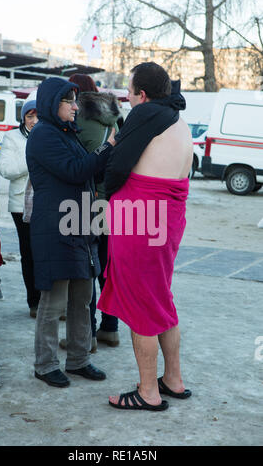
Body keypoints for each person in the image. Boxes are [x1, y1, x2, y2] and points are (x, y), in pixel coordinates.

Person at [97, 62, 193, 411]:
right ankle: (173, 380)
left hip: (141, 223)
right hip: (166, 222)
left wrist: (107, 193)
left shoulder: (147, 114)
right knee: (159, 298)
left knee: (141, 306)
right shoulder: (178, 120)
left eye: (130, 90)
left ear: (144, 94)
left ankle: (148, 391)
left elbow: (118, 166)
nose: (126, 96)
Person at [26, 77, 115, 388]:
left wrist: (106, 160)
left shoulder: (69, 134)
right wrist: (108, 147)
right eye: (70, 101)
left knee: (83, 297)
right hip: (55, 226)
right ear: (53, 103)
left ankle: (78, 359)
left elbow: (89, 171)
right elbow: (75, 171)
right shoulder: (43, 135)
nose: (76, 107)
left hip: (80, 223)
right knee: (54, 301)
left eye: (76, 101)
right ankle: (45, 364)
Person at [58, 73, 120, 353]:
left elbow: (76, 163)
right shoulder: (116, 117)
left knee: (86, 268)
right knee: (108, 266)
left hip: (87, 198)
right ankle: (111, 328)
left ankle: (89, 335)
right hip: (115, 199)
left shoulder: (76, 116)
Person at [0, 97, 41, 318]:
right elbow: (5, 169)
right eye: (29, 116)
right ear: (23, 117)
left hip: (46, 202)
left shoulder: (49, 135)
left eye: (37, 115)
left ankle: (49, 301)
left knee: (46, 252)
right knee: (29, 253)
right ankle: (34, 301)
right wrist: (32, 158)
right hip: (20, 204)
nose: (33, 120)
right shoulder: (12, 137)